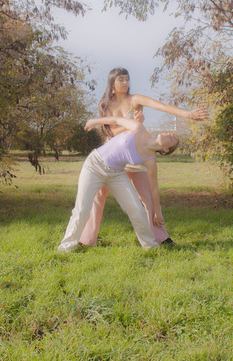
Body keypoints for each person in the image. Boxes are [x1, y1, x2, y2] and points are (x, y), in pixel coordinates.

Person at [79, 67, 207, 247]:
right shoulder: (105, 104)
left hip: (135, 156)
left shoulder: (135, 100)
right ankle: (87, 240)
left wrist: (188, 114)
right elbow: (113, 131)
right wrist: (135, 124)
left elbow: (161, 106)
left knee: (148, 197)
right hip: (113, 155)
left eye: (127, 79)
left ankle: (160, 237)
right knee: (97, 199)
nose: (125, 83)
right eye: (121, 80)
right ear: (112, 83)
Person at [58, 116, 179, 252]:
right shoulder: (138, 128)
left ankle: (151, 246)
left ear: (165, 150)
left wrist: (157, 213)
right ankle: (65, 248)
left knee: (137, 209)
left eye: (172, 138)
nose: (169, 134)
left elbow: (154, 190)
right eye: (170, 133)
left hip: (116, 174)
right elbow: (116, 120)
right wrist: (95, 121)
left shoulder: (150, 160)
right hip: (94, 165)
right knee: (82, 209)